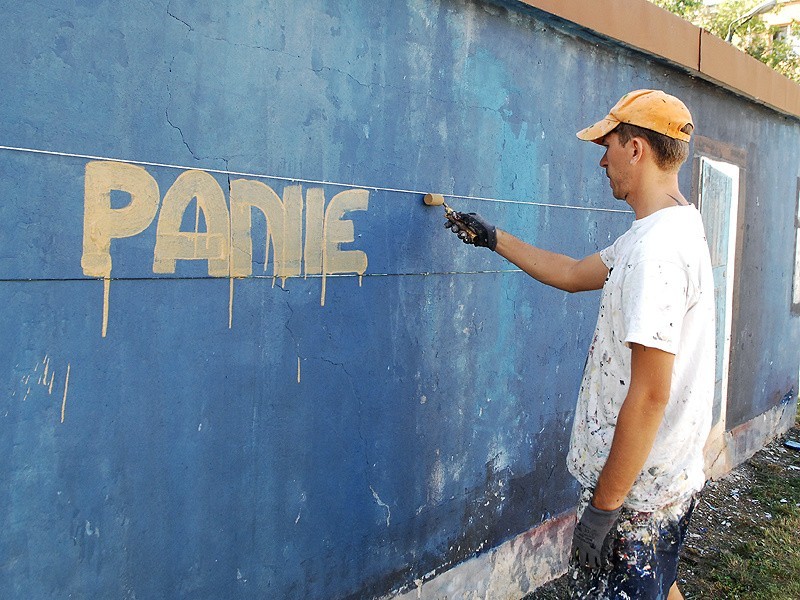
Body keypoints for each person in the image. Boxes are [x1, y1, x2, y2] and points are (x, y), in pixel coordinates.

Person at [444, 89, 715, 599]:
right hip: (663, 479)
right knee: (661, 583)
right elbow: (572, 273)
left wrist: (604, 510)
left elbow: (651, 393)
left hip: (637, 499)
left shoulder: (656, 252)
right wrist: (493, 238)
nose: (601, 158)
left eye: (608, 145)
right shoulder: (672, 226)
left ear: (635, 149)